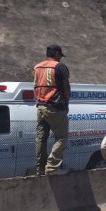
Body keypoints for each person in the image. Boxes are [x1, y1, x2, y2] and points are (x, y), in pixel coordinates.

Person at [34, 44, 70, 175]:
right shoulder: (59, 67)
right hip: (55, 107)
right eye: (60, 55)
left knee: (40, 138)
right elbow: (66, 88)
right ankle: (52, 167)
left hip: (40, 106)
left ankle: (40, 168)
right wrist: (66, 104)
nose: (60, 58)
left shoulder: (37, 67)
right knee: (62, 138)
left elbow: (36, 86)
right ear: (56, 54)